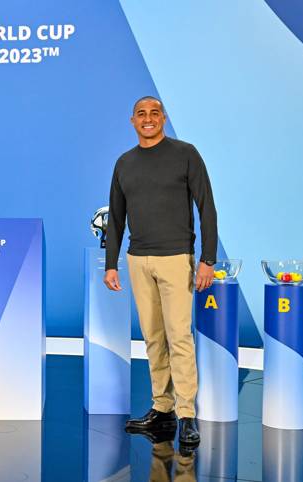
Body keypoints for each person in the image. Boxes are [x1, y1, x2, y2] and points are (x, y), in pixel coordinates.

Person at [104, 96, 218, 446]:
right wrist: (112, 263)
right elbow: (116, 217)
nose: (148, 119)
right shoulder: (124, 163)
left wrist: (207, 259)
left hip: (176, 258)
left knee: (179, 337)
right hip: (139, 260)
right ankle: (162, 409)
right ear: (132, 121)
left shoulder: (186, 154)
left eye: (154, 113)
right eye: (142, 114)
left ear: (163, 119)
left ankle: (187, 415)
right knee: (153, 338)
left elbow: (207, 207)